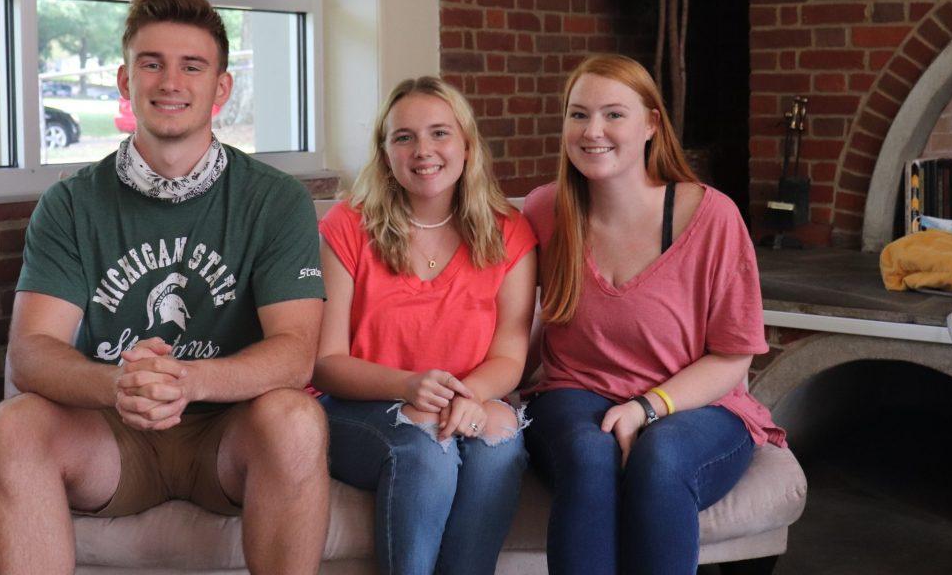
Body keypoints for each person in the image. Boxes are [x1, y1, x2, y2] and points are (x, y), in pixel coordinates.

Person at [0, 0, 329, 575]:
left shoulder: (275, 200)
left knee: (296, 418)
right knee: (13, 425)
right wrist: (121, 383)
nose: (171, 81)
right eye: (152, 63)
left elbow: (296, 354)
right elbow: (31, 354)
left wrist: (189, 380)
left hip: (227, 434)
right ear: (125, 78)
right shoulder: (70, 205)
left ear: (221, 88)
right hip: (112, 436)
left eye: (192, 66)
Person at [522, 55, 785, 575]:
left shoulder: (712, 216)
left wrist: (648, 407)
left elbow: (733, 356)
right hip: (574, 391)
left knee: (661, 460)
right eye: (578, 115)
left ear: (651, 125)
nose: (592, 131)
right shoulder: (543, 210)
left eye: (613, 114)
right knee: (588, 452)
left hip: (698, 403)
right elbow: (514, 322)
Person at [311, 76, 537, 575]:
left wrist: (468, 396)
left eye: (439, 133)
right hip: (359, 408)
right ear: (385, 152)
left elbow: (509, 357)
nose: (423, 150)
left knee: (499, 435)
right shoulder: (349, 225)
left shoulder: (509, 231)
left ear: (467, 144)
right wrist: (409, 386)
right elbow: (326, 364)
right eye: (404, 137)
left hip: (465, 396)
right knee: (427, 442)